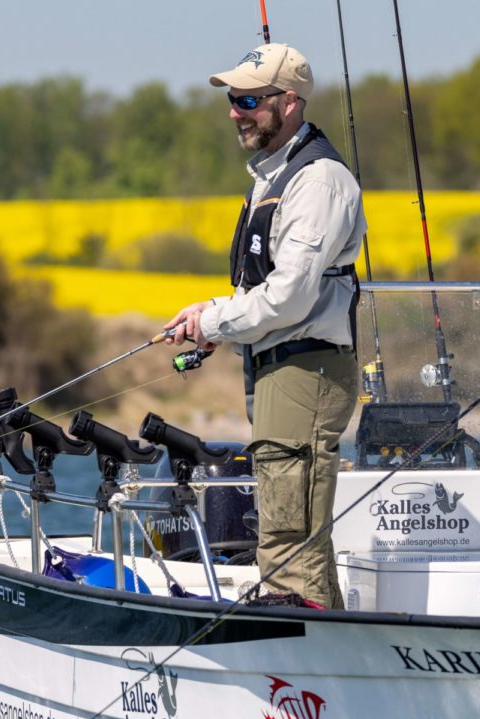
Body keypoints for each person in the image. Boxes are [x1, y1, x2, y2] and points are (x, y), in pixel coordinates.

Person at [164, 43, 364, 609]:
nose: (235, 111)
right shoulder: (273, 175)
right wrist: (210, 316)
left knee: (287, 538)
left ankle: (308, 677)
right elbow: (266, 284)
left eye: (250, 99)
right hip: (280, 370)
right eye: (232, 99)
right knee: (289, 535)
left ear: (291, 102)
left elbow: (291, 296)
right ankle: (322, 668)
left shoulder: (318, 181)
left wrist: (215, 321)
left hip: (306, 370)